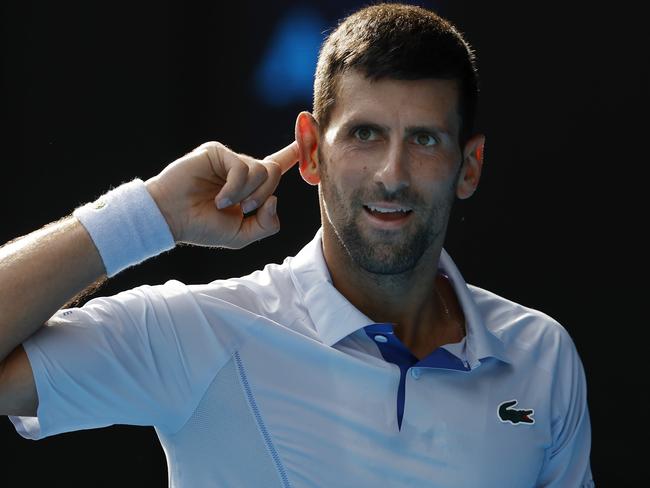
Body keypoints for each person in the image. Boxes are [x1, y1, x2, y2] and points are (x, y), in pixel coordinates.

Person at [0, 3, 593, 487]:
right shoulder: (201, 332)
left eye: (425, 140)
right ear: (311, 151)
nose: (393, 172)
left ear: (470, 166)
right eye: (364, 134)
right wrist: (150, 216)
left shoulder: (543, 356)